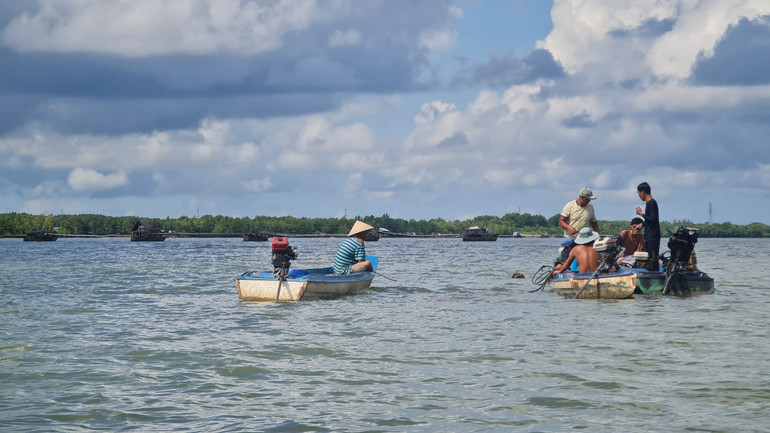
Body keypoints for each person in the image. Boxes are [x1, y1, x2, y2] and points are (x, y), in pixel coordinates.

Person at [635, 182, 660, 270]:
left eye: (639, 193)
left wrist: (641, 214)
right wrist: (642, 224)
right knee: (649, 259)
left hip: (653, 236)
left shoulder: (651, 203)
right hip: (649, 236)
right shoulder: (649, 203)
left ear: (643, 192)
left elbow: (653, 220)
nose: (639, 196)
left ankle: (654, 276)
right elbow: (649, 219)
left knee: (652, 259)